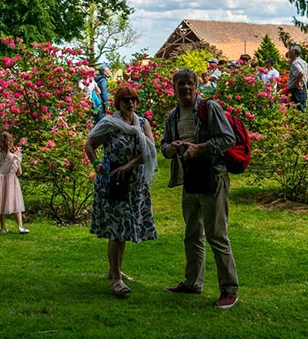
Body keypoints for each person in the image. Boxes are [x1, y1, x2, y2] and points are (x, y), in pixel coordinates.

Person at [161, 68, 240, 309]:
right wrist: (172, 148)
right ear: (174, 88)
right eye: (180, 84)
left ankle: (229, 290)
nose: (185, 88)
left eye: (189, 84)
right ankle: (193, 282)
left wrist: (200, 148)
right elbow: (163, 146)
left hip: (213, 177)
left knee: (217, 235)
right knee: (192, 233)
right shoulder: (173, 116)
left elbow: (228, 139)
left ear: (196, 86)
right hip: (189, 179)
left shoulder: (210, 108)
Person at [84, 84, 157, 297]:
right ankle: (116, 279)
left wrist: (130, 165)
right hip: (114, 181)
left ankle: (114, 270)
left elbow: (151, 151)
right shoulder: (110, 124)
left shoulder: (142, 124)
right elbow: (89, 145)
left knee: (123, 228)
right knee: (116, 230)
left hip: (134, 183)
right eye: (126, 100)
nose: (131, 103)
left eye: (134, 99)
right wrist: (96, 163)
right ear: (118, 103)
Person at [0, 131, 28, 235]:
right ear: (10, 144)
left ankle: (3, 228)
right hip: (12, 183)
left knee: (1, 204)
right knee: (16, 203)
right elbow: (19, 173)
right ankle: (20, 226)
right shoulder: (14, 158)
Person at [286, 45, 308, 111]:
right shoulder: (303, 61)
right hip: (303, 88)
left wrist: (297, 82)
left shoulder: (295, 62)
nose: (288, 54)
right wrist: (306, 77)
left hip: (297, 90)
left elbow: (301, 73)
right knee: (303, 107)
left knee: (298, 110)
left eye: (290, 52)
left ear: (293, 52)